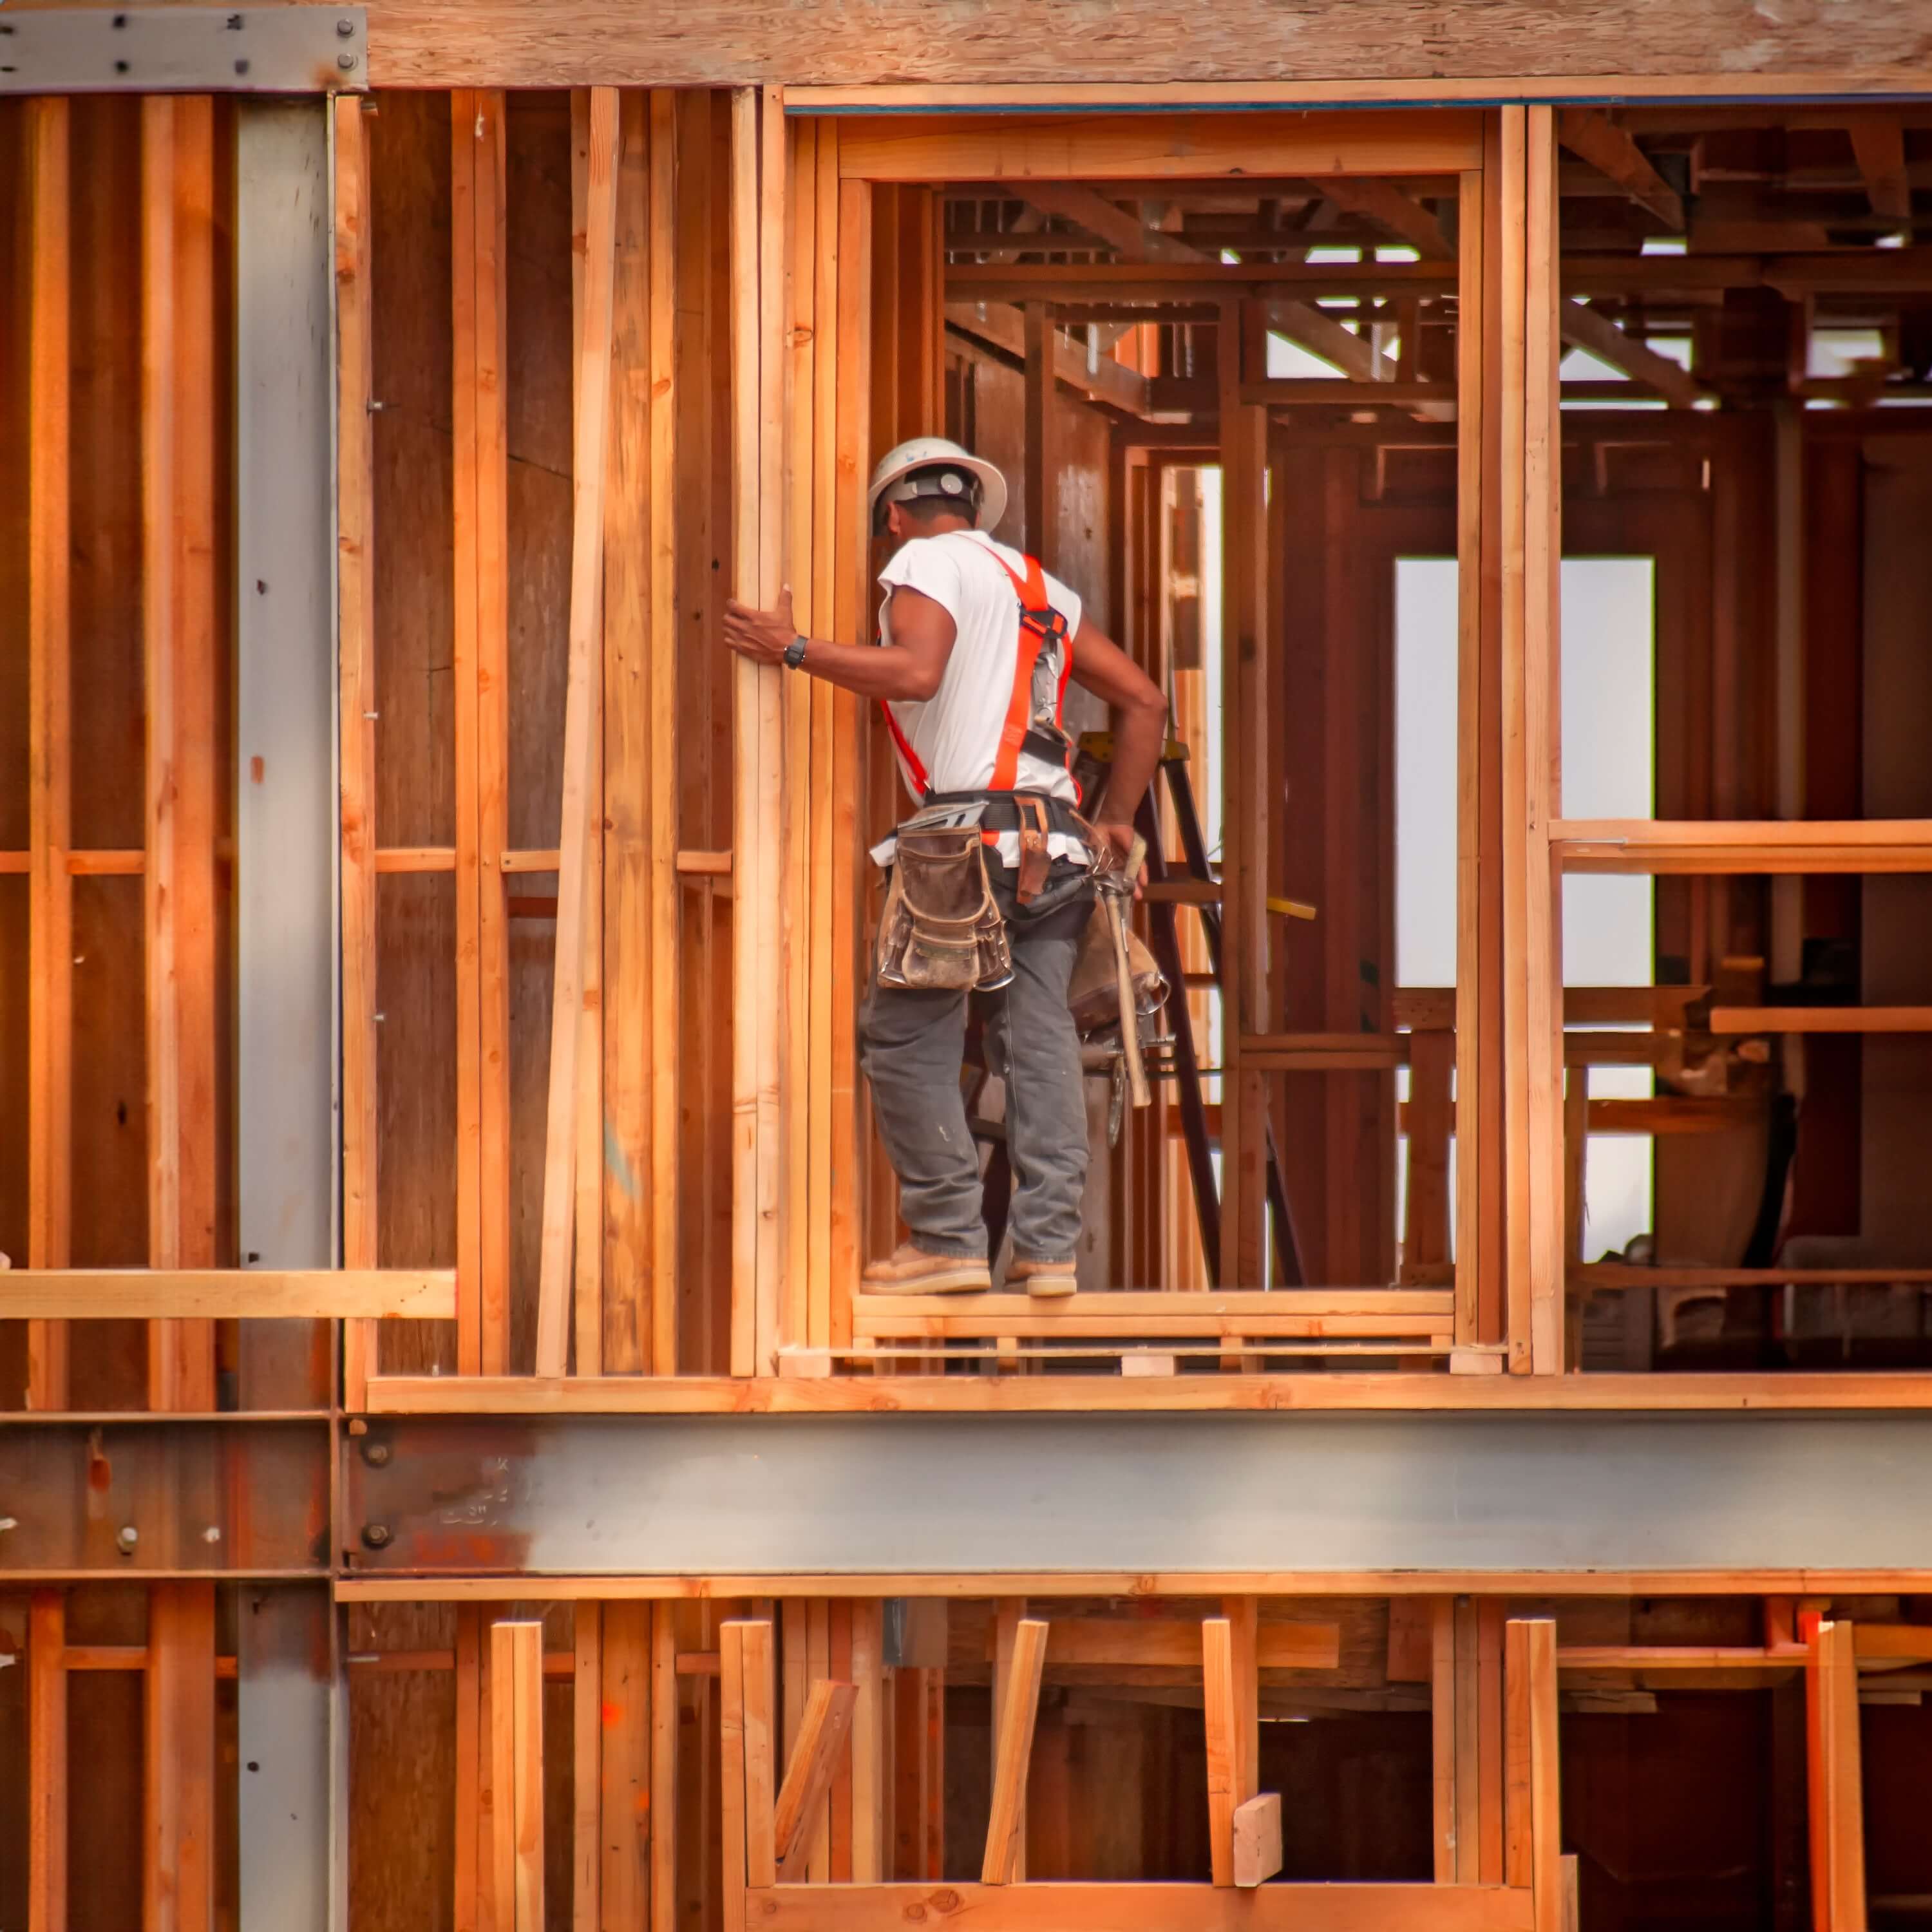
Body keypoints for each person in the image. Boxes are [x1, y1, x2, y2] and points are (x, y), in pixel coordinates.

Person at [723, 437, 1167, 1298]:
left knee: (905, 1037)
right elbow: (1145, 699)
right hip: (1060, 844)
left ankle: (949, 1238)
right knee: (1036, 1041)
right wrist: (1116, 822)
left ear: (894, 514)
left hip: (968, 844)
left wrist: (795, 649)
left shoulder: (923, 561)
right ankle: (1046, 1250)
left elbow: (917, 674)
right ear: (972, 508)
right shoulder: (1040, 587)